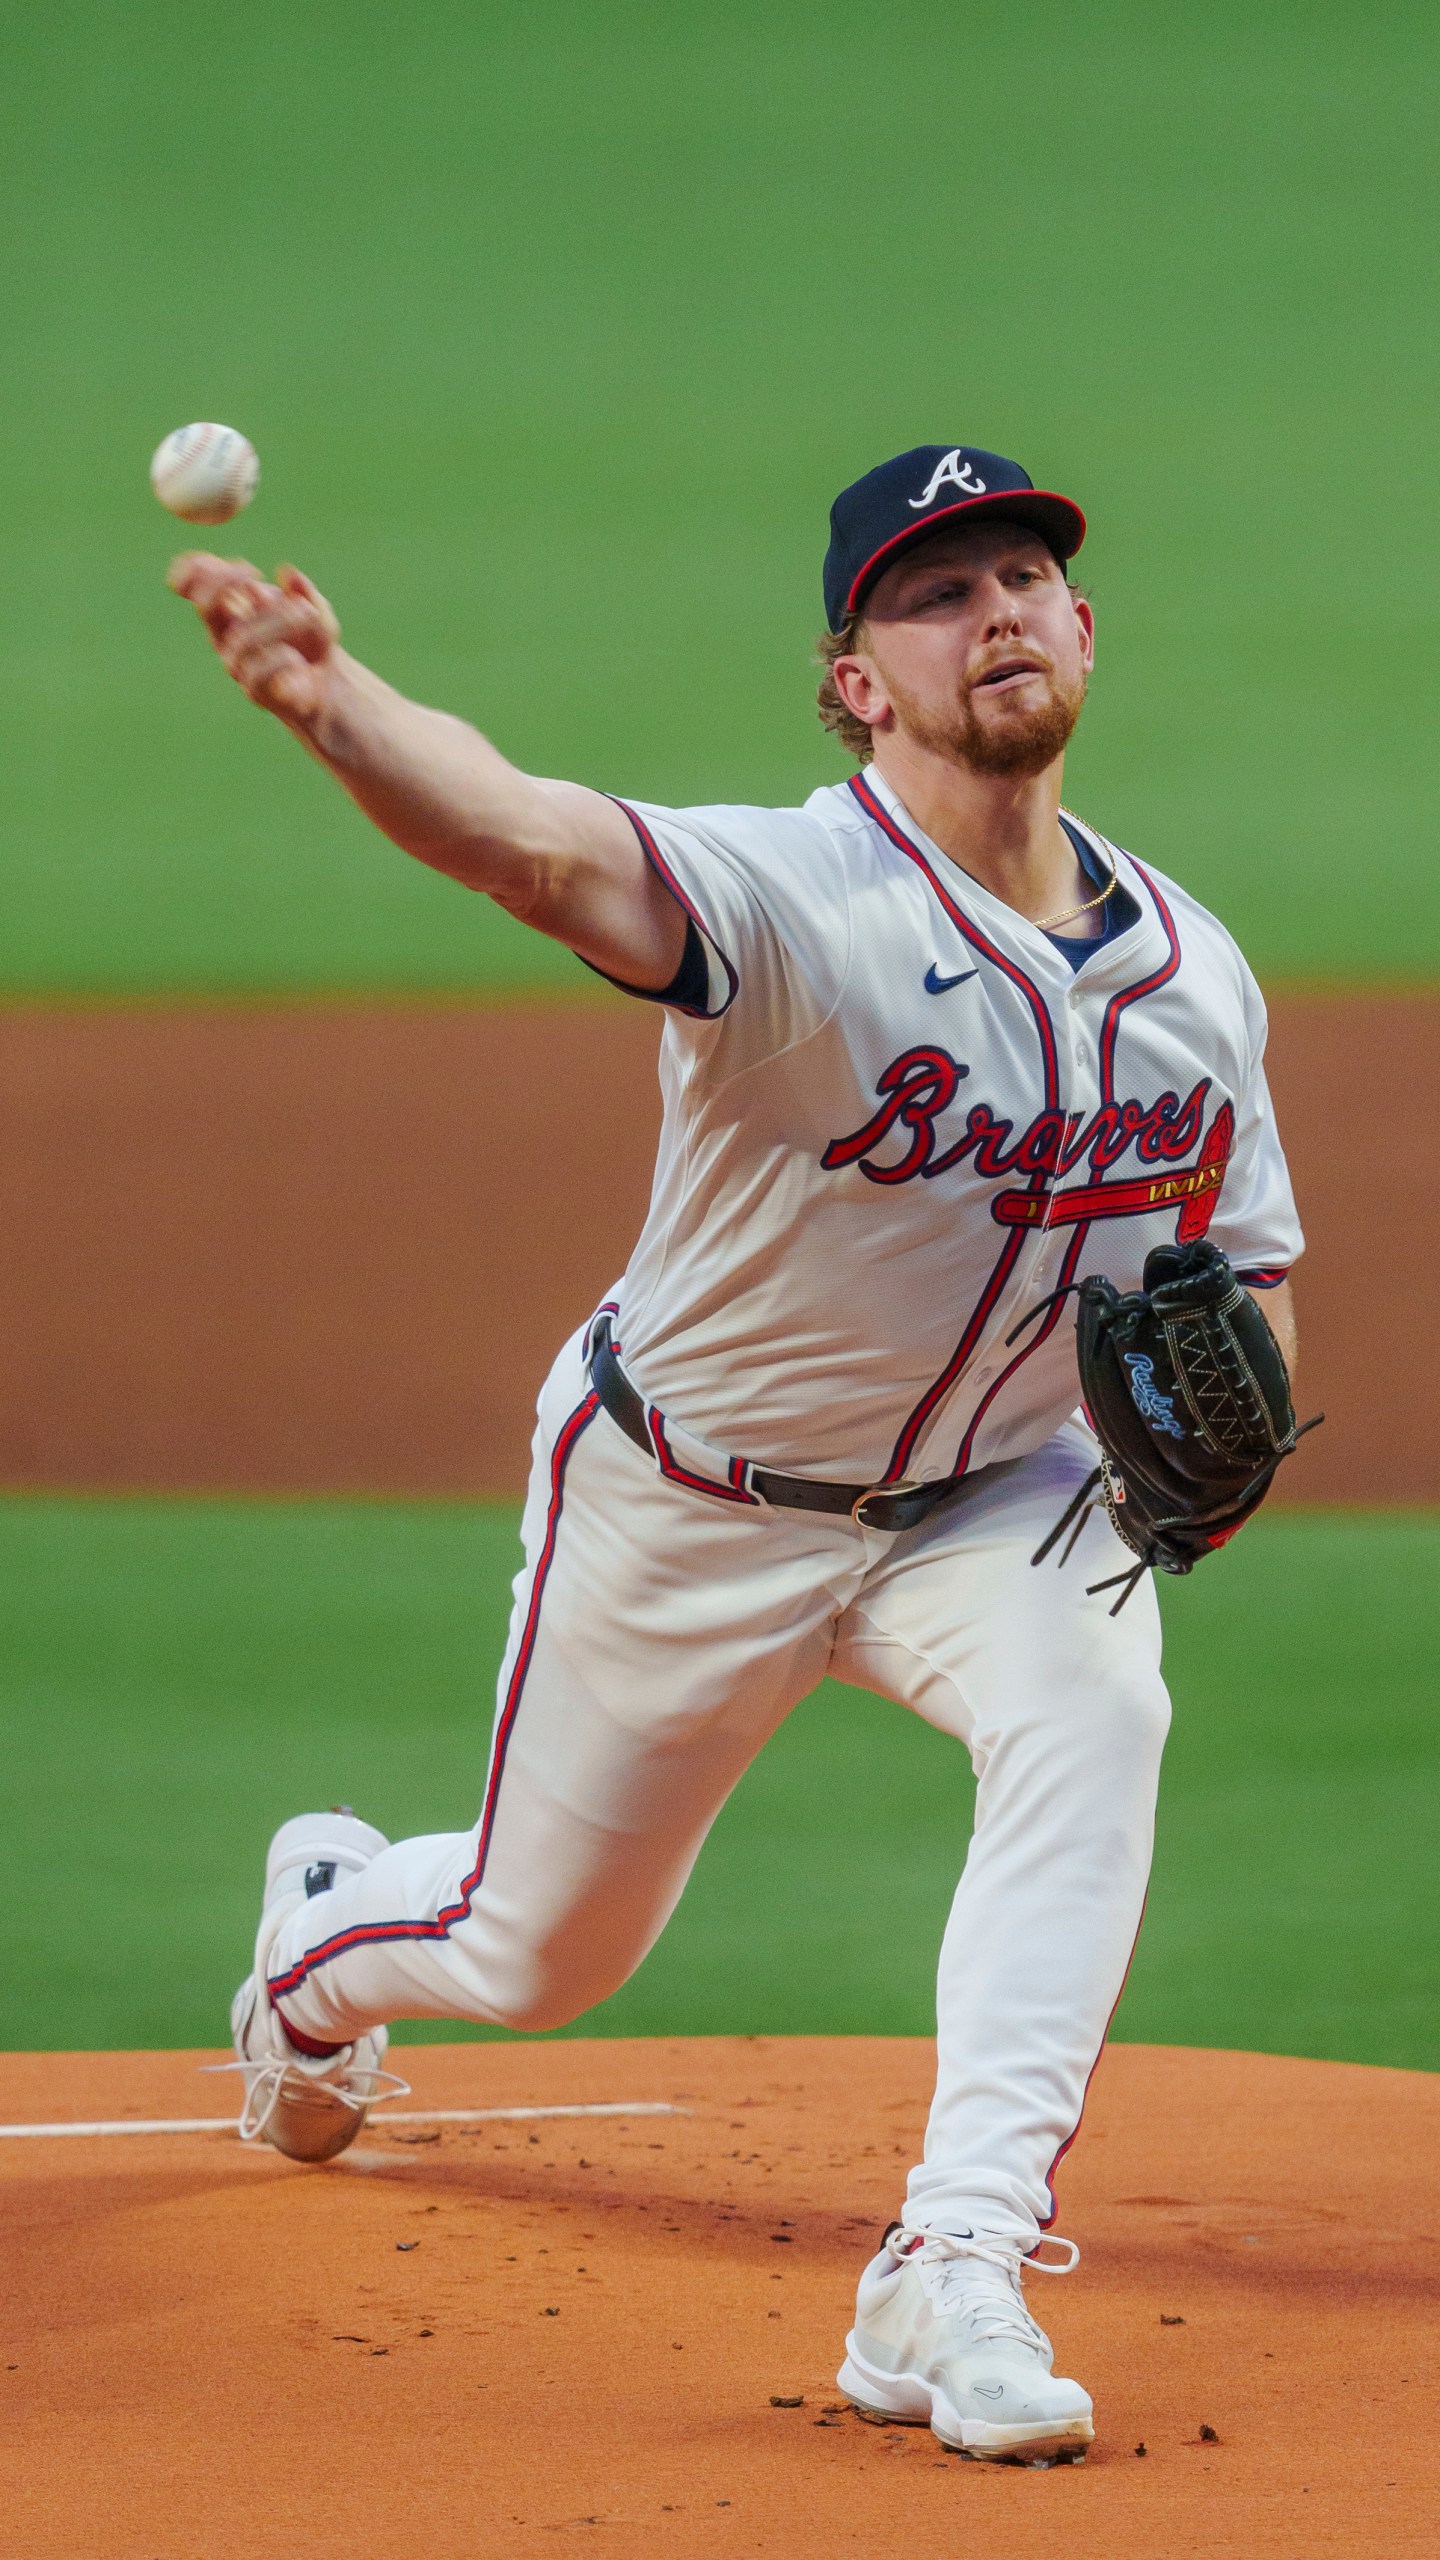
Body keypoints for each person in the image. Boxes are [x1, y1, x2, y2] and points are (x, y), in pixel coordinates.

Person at [171, 443, 1301, 2466]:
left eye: (1028, 573)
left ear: (1087, 626)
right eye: (937, 593)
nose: (999, 611)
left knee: (1099, 1698)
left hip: (993, 1506)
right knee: (539, 1948)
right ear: (853, 677)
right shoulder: (797, 900)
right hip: (693, 1496)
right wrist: (340, 705)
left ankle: (954, 2260)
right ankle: (319, 1932)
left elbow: (1252, 1274)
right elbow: (533, 842)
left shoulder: (1193, 974)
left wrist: (1224, 1446)